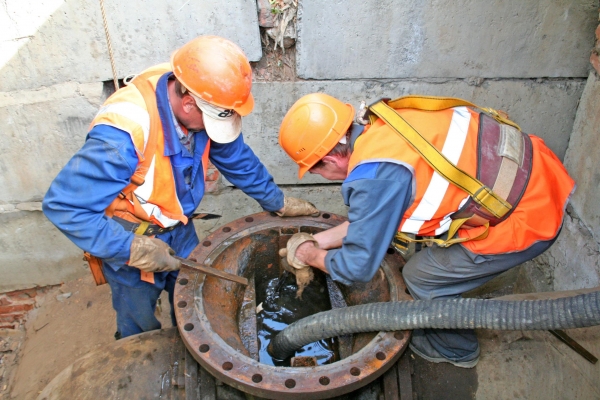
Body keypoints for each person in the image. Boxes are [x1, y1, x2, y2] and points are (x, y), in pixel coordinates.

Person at [42, 36, 318, 340]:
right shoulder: (123, 134)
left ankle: (187, 344)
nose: (215, 129)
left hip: (180, 226)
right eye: (211, 121)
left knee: (194, 302)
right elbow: (65, 205)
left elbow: (234, 156)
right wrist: (129, 249)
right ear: (188, 103)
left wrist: (276, 200)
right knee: (139, 322)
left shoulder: (201, 88)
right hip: (130, 236)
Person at [277, 93, 575, 368]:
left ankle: (457, 350)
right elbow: (373, 217)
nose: (325, 176)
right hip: (539, 173)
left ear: (330, 159)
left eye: (317, 170)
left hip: (529, 219)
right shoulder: (388, 122)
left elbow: (357, 267)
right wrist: (318, 240)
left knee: (420, 278)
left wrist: (311, 255)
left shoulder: (375, 178)